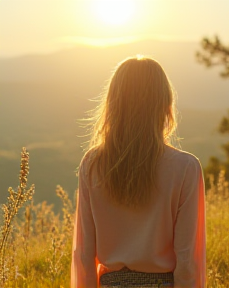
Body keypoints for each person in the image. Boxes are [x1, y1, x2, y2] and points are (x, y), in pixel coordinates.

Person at [71, 55, 206, 288]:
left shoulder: (92, 164)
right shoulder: (186, 168)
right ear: (165, 105)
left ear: (113, 104)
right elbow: (187, 262)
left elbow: (84, 256)